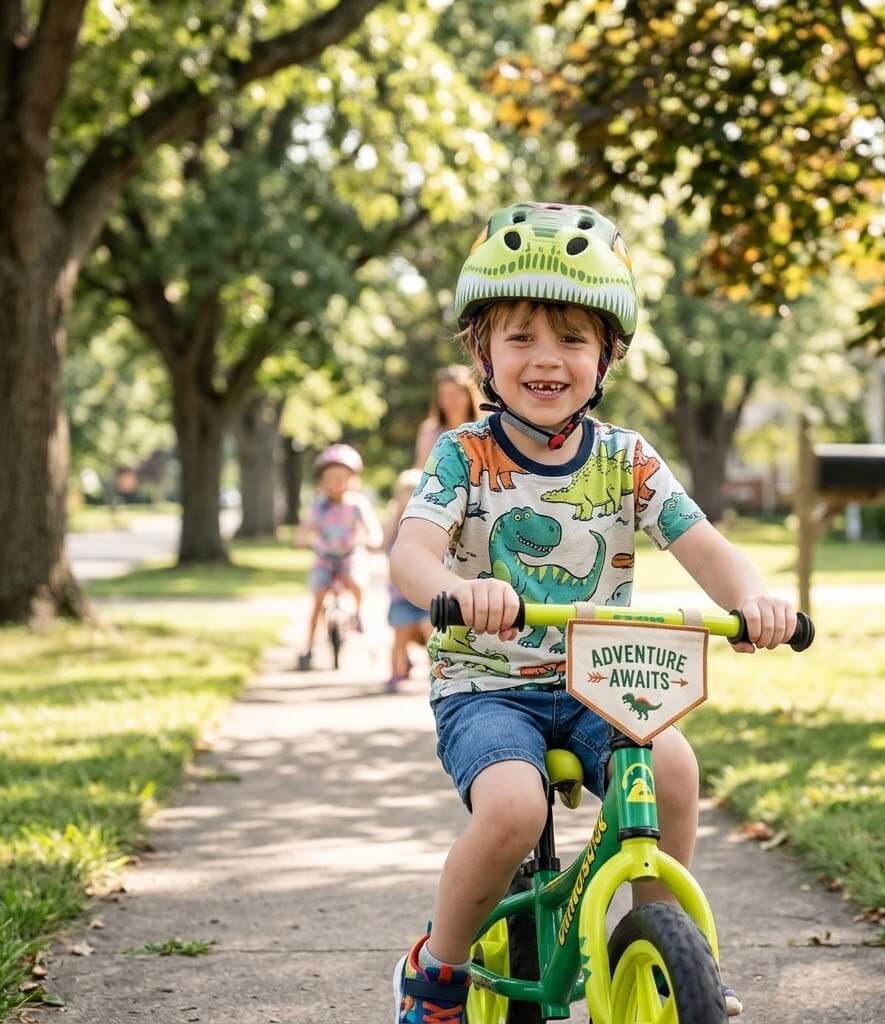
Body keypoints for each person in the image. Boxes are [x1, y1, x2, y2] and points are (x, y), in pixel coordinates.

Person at [389, 201, 798, 1022]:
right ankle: (437, 968)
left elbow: (704, 543)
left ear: (608, 355)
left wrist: (751, 598)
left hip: (601, 680)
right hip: (488, 684)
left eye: (573, 339)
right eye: (522, 338)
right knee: (513, 808)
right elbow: (410, 552)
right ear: (482, 352)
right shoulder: (462, 454)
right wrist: (460, 588)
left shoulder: (627, 459)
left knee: (674, 766)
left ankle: (662, 943)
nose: (548, 359)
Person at [295, 443, 382, 671]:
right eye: (331, 478)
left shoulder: (357, 505)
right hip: (324, 557)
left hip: (349, 556)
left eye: (342, 477)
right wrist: (302, 539)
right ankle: (309, 646)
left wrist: (372, 539)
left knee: (356, 582)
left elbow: (373, 529)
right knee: (318, 598)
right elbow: (306, 528)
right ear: (321, 481)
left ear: (353, 479)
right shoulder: (318, 506)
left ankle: (358, 615)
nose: (336, 483)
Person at [384, 468, 432, 693]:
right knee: (400, 634)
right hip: (400, 592)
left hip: (426, 592)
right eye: (406, 492)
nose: (411, 496)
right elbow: (384, 545)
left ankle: (437, 671)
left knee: (430, 631)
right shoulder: (394, 522)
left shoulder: (430, 522)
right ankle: (396, 670)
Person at [414, 364, 484, 468]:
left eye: (454, 395)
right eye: (443, 395)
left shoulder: (484, 430)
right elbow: (421, 470)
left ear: (469, 396)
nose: (448, 402)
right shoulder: (429, 431)